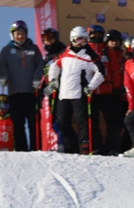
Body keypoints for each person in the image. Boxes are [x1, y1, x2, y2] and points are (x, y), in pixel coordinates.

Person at [45, 26, 104, 155]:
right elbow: (55, 66)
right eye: (78, 40)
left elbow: (101, 72)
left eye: (83, 40)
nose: (80, 43)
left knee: (82, 121)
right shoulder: (65, 53)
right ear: (72, 39)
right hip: (63, 94)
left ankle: (85, 145)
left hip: (79, 94)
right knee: (62, 122)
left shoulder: (90, 55)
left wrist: (91, 86)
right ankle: (70, 147)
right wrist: (53, 81)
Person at [0, 20, 43, 151]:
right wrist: (3, 76)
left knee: (33, 122)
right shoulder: (6, 50)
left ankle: (36, 149)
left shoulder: (33, 49)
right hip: (14, 92)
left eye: (23, 34)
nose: (20, 37)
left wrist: (37, 78)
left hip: (31, 92)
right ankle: (21, 150)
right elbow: (1, 65)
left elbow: (40, 65)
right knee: (18, 123)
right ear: (12, 35)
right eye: (18, 34)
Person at [84, 24, 122, 156]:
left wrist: (116, 87)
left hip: (107, 92)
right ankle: (96, 147)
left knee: (111, 122)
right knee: (93, 122)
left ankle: (111, 148)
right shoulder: (85, 50)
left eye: (99, 35)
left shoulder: (107, 51)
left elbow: (115, 71)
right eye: (93, 35)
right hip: (91, 92)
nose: (96, 37)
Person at [39, 27, 64, 152]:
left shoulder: (63, 52)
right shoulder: (47, 57)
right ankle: (59, 144)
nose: (48, 41)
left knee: (61, 119)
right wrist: (41, 91)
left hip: (63, 90)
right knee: (54, 119)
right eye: (45, 39)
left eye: (50, 38)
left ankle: (63, 144)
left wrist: (56, 83)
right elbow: (45, 75)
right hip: (51, 90)